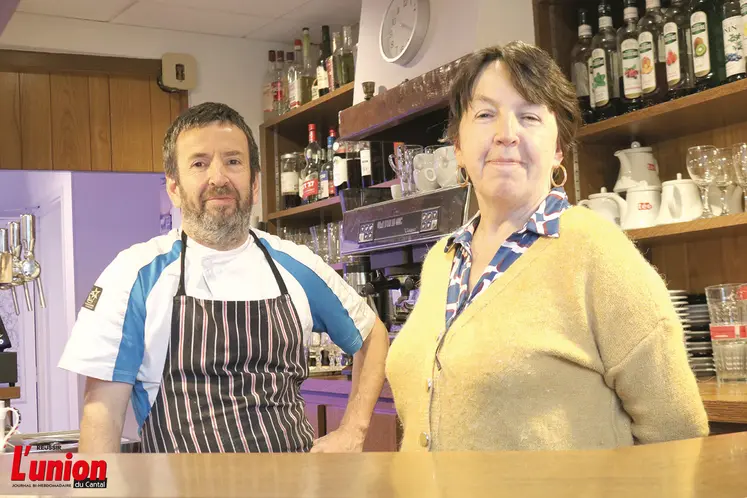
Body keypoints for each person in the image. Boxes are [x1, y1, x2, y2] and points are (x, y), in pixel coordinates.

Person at [385, 42, 709, 452]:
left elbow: (677, 436)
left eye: (530, 116)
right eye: (485, 115)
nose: (506, 134)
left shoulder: (597, 251)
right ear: (458, 148)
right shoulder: (442, 259)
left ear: (557, 149)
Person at [59, 102, 389, 453]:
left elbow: (372, 333)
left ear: (255, 182)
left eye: (233, 161)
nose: (218, 178)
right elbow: (102, 417)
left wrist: (353, 430)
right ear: (173, 187)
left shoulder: (295, 264)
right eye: (199, 164)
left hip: (295, 485)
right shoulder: (134, 276)